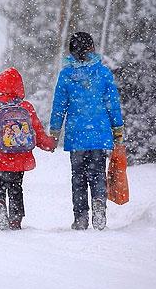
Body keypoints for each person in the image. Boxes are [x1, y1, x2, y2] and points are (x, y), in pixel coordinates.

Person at [49, 32, 125, 230]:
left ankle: (81, 217)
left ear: (71, 51)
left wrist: (55, 132)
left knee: (78, 177)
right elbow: (112, 104)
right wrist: (117, 128)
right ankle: (99, 202)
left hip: (76, 135)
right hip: (99, 134)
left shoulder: (66, 75)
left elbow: (59, 106)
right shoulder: (103, 73)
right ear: (91, 48)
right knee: (98, 173)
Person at [0, 67, 57, 230]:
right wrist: (49, 144)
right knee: (16, 187)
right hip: (20, 158)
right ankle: (16, 219)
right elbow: (37, 132)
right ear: (20, 86)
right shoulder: (26, 107)